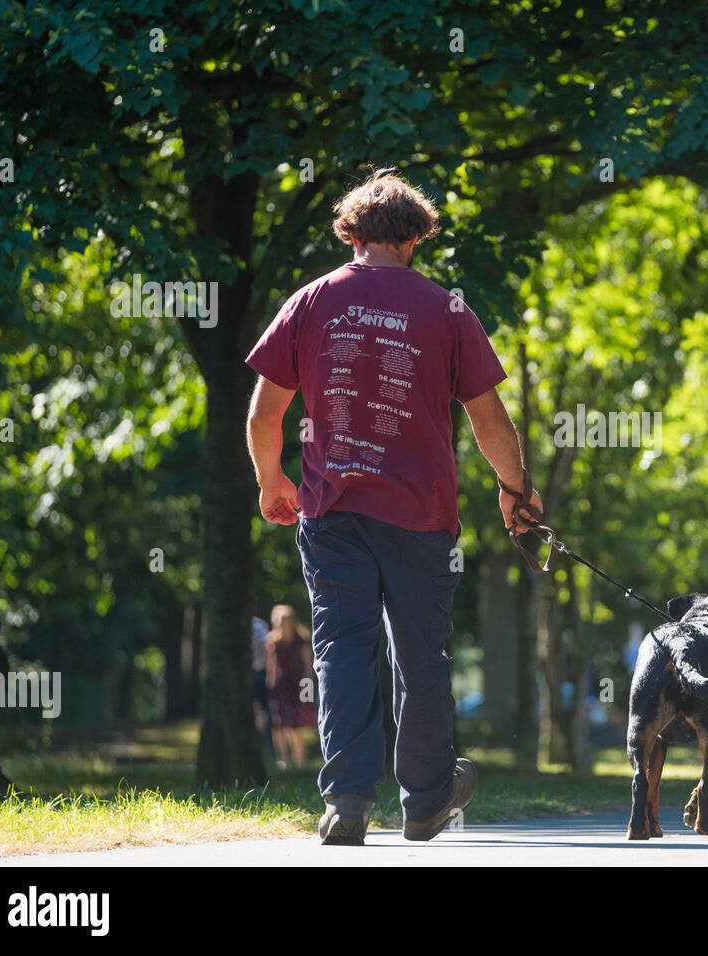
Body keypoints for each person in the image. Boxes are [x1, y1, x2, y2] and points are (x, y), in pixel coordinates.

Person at [244, 167, 543, 845]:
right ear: (415, 238)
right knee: (420, 653)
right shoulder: (448, 309)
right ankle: (427, 798)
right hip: (419, 514)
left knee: (342, 649)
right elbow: (489, 421)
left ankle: (348, 799)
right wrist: (517, 492)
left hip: (332, 510)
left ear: (352, 232)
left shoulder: (310, 301)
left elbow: (266, 413)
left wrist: (272, 482)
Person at [265, 604, 317, 769]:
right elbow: (270, 665)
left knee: (294, 725)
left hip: (297, 685)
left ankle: (299, 759)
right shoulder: (273, 641)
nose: (283, 624)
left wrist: (307, 687)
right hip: (279, 686)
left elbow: (308, 665)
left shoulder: (301, 640)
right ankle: (283, 760)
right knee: (279, 723)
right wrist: (269, 683)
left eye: (286, 621)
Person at [250, 615, 275, 761]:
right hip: (259, 671)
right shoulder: (260, 625)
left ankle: (263, 746)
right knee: (262, 711)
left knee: (261, 710)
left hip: (257, 673)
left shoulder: (258, 625)